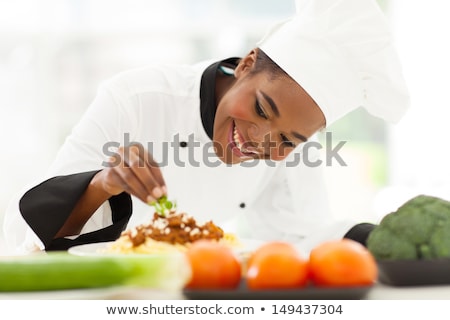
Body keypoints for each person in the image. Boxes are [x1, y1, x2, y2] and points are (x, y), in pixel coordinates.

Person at [3, 0, 409, 254]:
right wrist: (103, 184)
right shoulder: (136, 99)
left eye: (288, 140)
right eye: (262, 109)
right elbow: (36, 237)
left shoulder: (289, 150)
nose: (260, 142)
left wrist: (390, 239)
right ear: (248, 63)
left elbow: (300, 236)